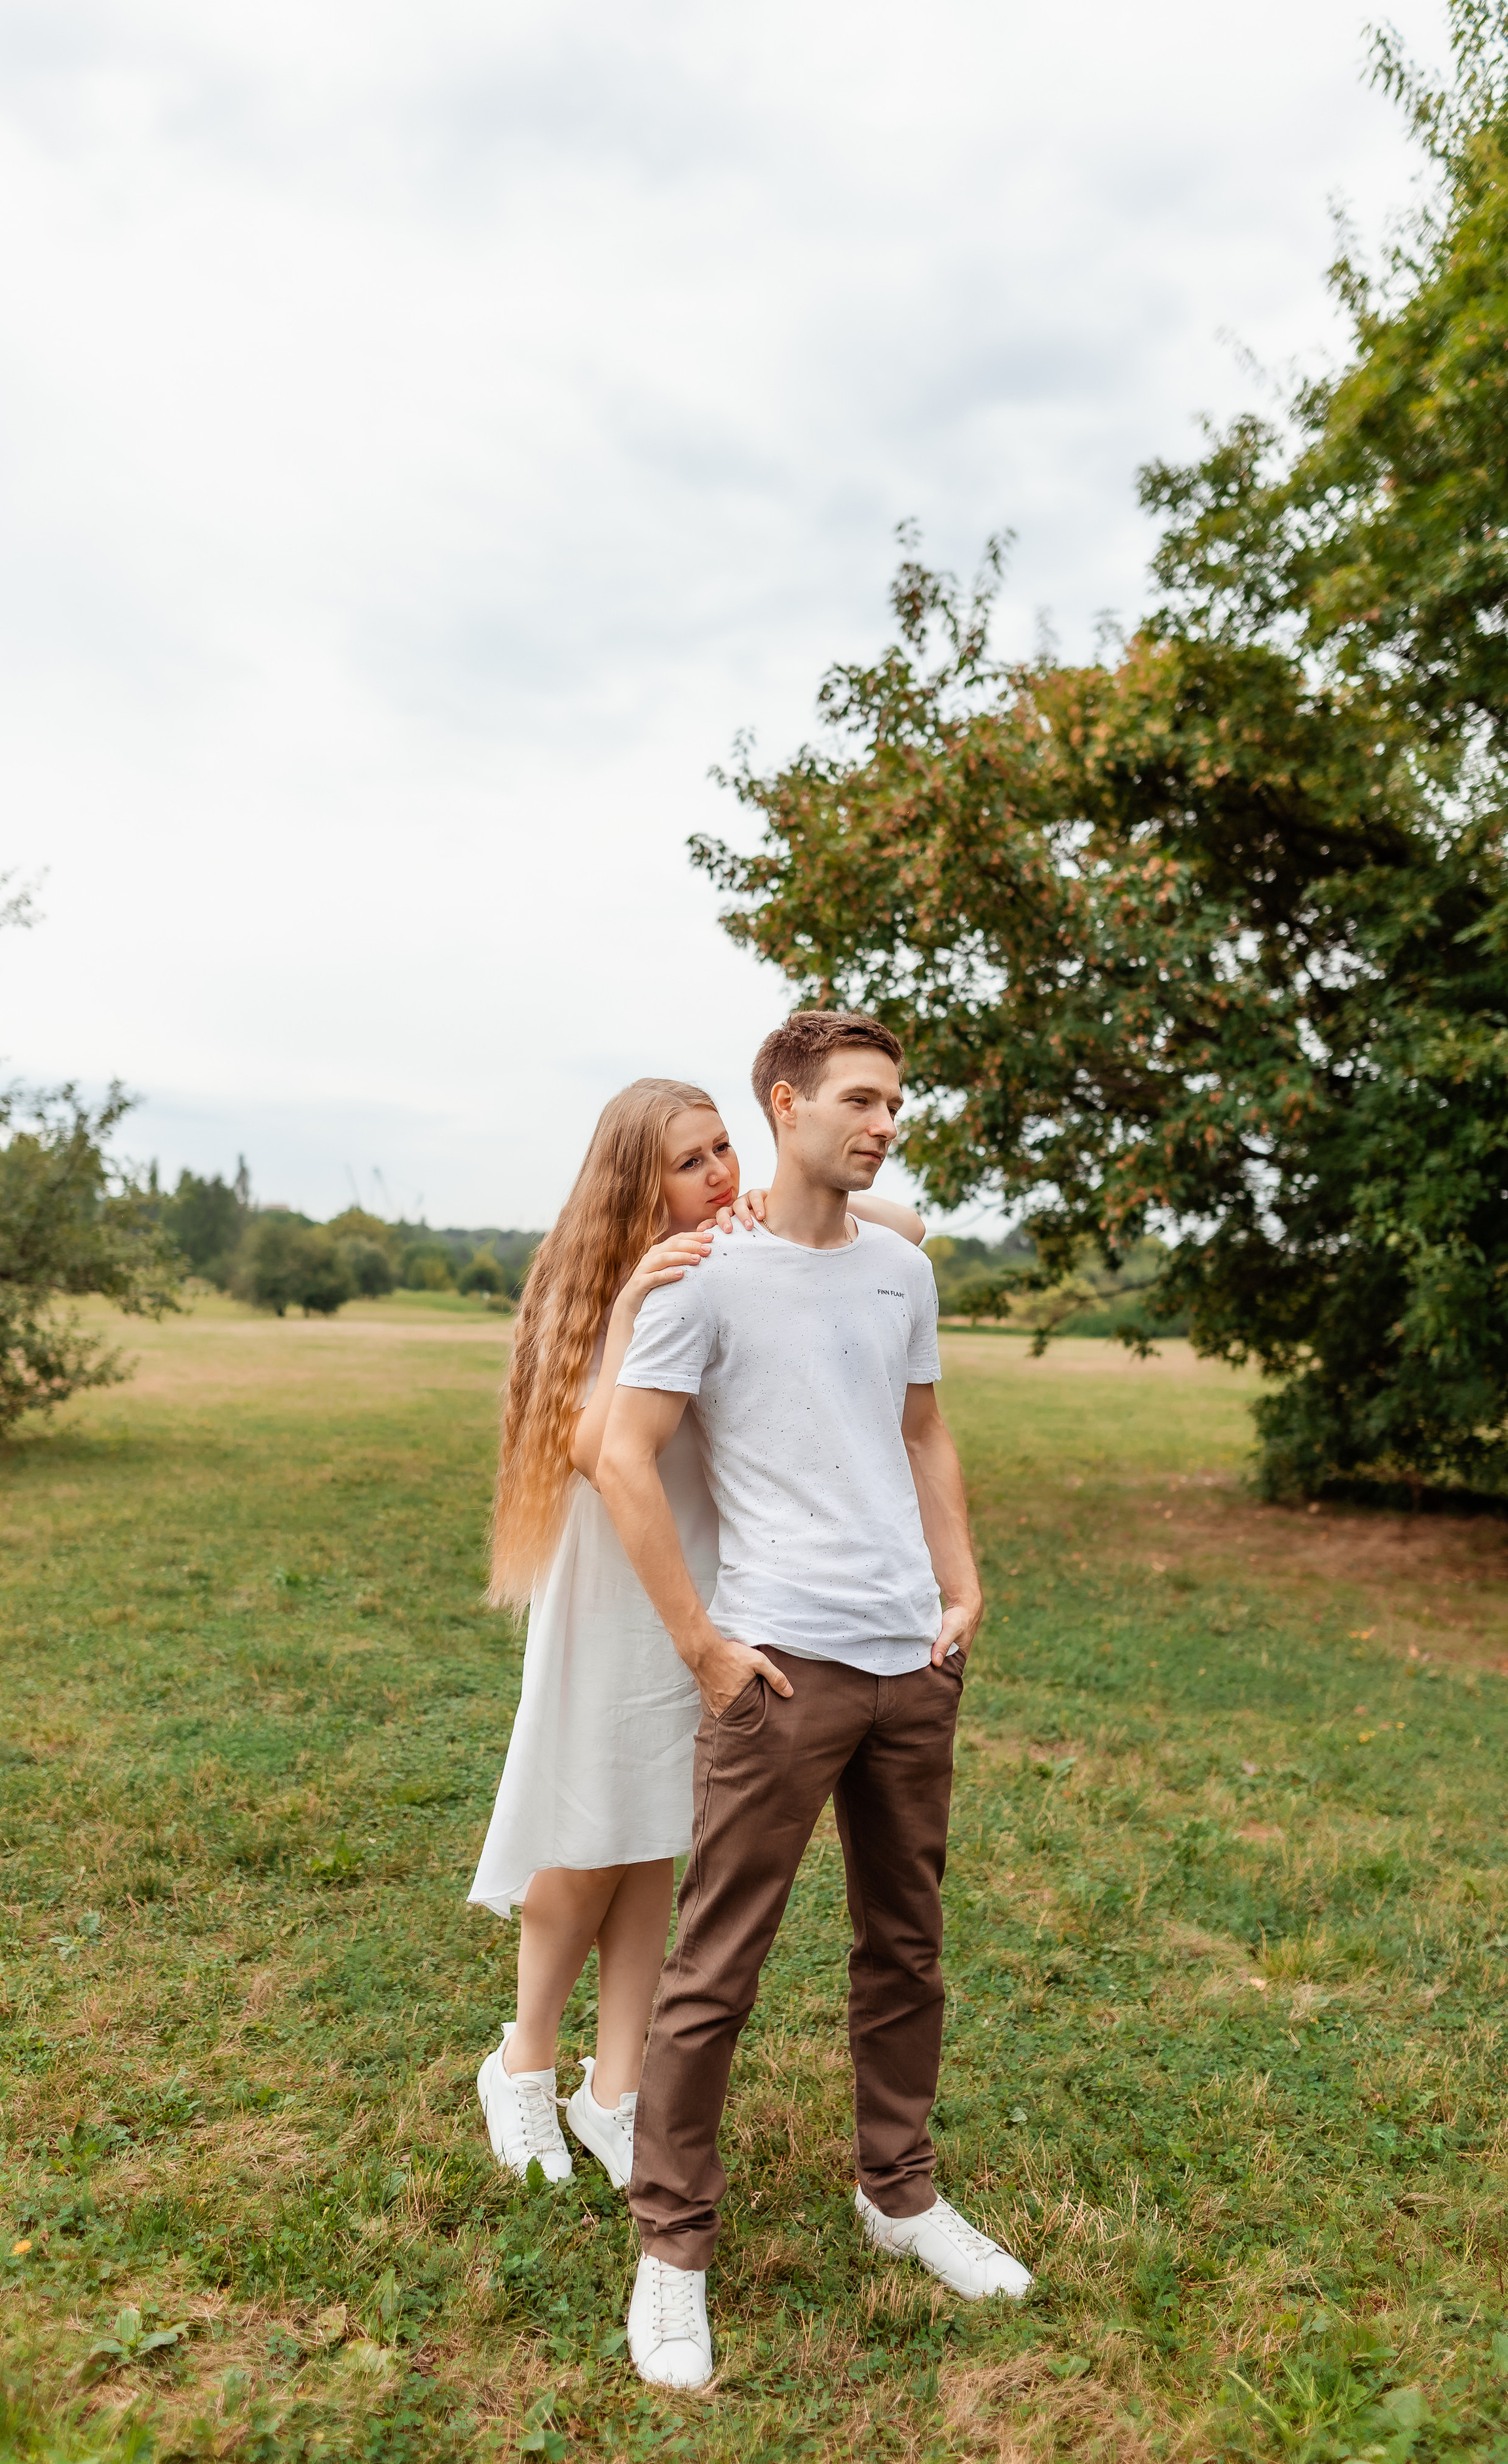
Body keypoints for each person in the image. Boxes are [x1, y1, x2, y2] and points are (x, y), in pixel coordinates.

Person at [596, 1009, 1031, 2393]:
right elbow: (620, 1455)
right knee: (714, 1967)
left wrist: (957, 1588)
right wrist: (706, 1650)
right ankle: (670, 2257)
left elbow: (920, 1428)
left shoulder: (900, 1273)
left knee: (902, 1947)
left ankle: (895, 2196)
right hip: (779, 1667)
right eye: (855, 1098)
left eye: (892, 1101)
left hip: (910, 1659)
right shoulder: (704, 1279)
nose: (881, 1121)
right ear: (779, 1104)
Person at [469, 1075, 924, 2193]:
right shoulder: (598, 1284)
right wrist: (628, 1306)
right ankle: (522, 2062)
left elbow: (908, 1229)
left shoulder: (737, 1250)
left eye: (725, 1149)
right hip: (614, 1591)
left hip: (712, 1587)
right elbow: (590, 1451)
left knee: (653, 1841)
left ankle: (613, 2090)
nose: (719, 1174)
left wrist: (790, 1203)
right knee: (584, 1840)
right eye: (691, 1161)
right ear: (636, 1182)